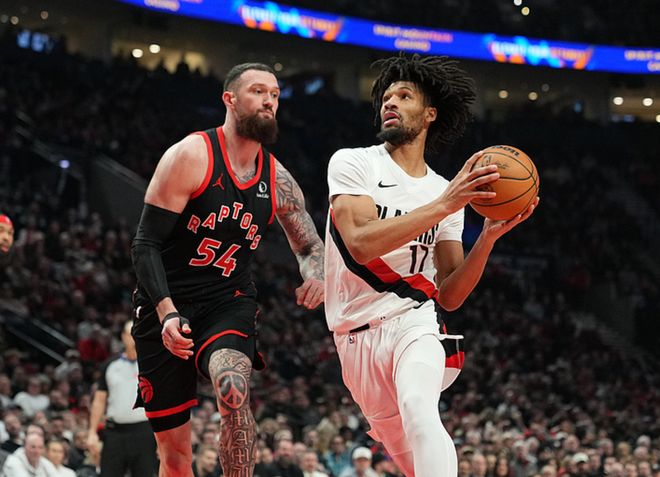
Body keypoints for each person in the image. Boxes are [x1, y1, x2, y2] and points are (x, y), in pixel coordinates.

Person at [324, 53, 538, 477]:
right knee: (410, 459)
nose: (391, 102)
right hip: (354, 335)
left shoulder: (445, 190)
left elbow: (451, 295)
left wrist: (487, 238)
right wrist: (445, 205)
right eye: (387, 97)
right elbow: (361, 244)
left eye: (404, 96)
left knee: (420, 408)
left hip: (414, 322)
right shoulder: (354, 163)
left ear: (429, 115)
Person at [130, 62, 324, 477]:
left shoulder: (278, 179)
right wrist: (166, 312)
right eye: (258, 91)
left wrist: (317, 273)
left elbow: (310, 245)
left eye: (275, 94)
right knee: (175, 458)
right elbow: (145, 244)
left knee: (233, 389)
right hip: (166, 304)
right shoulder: (191, 155)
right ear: (230, 99)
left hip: (227, 301)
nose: (269, 101)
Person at [87, 321, 157, 477]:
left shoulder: (152, 364)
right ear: (124, 337)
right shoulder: (110, 365)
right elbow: (99, 401)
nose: (135, 337)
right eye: (131, 333)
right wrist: (92, 432)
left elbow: (163, 400)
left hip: (144, 431)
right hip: (114, 432)